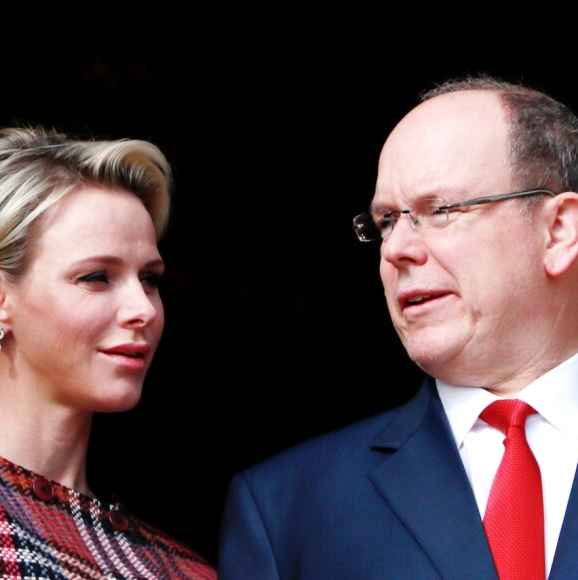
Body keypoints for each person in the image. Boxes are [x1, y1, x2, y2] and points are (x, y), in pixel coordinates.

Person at [217, 74, 578, 579]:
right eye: (387, 221)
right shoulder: (287, 507)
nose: (395, 249)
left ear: (558, 230)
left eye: (442, 210)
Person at [0, 125, 216, 579]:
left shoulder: (184, 572)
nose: (143, 310)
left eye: (150, 279)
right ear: (1, 299)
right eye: (97, 276)